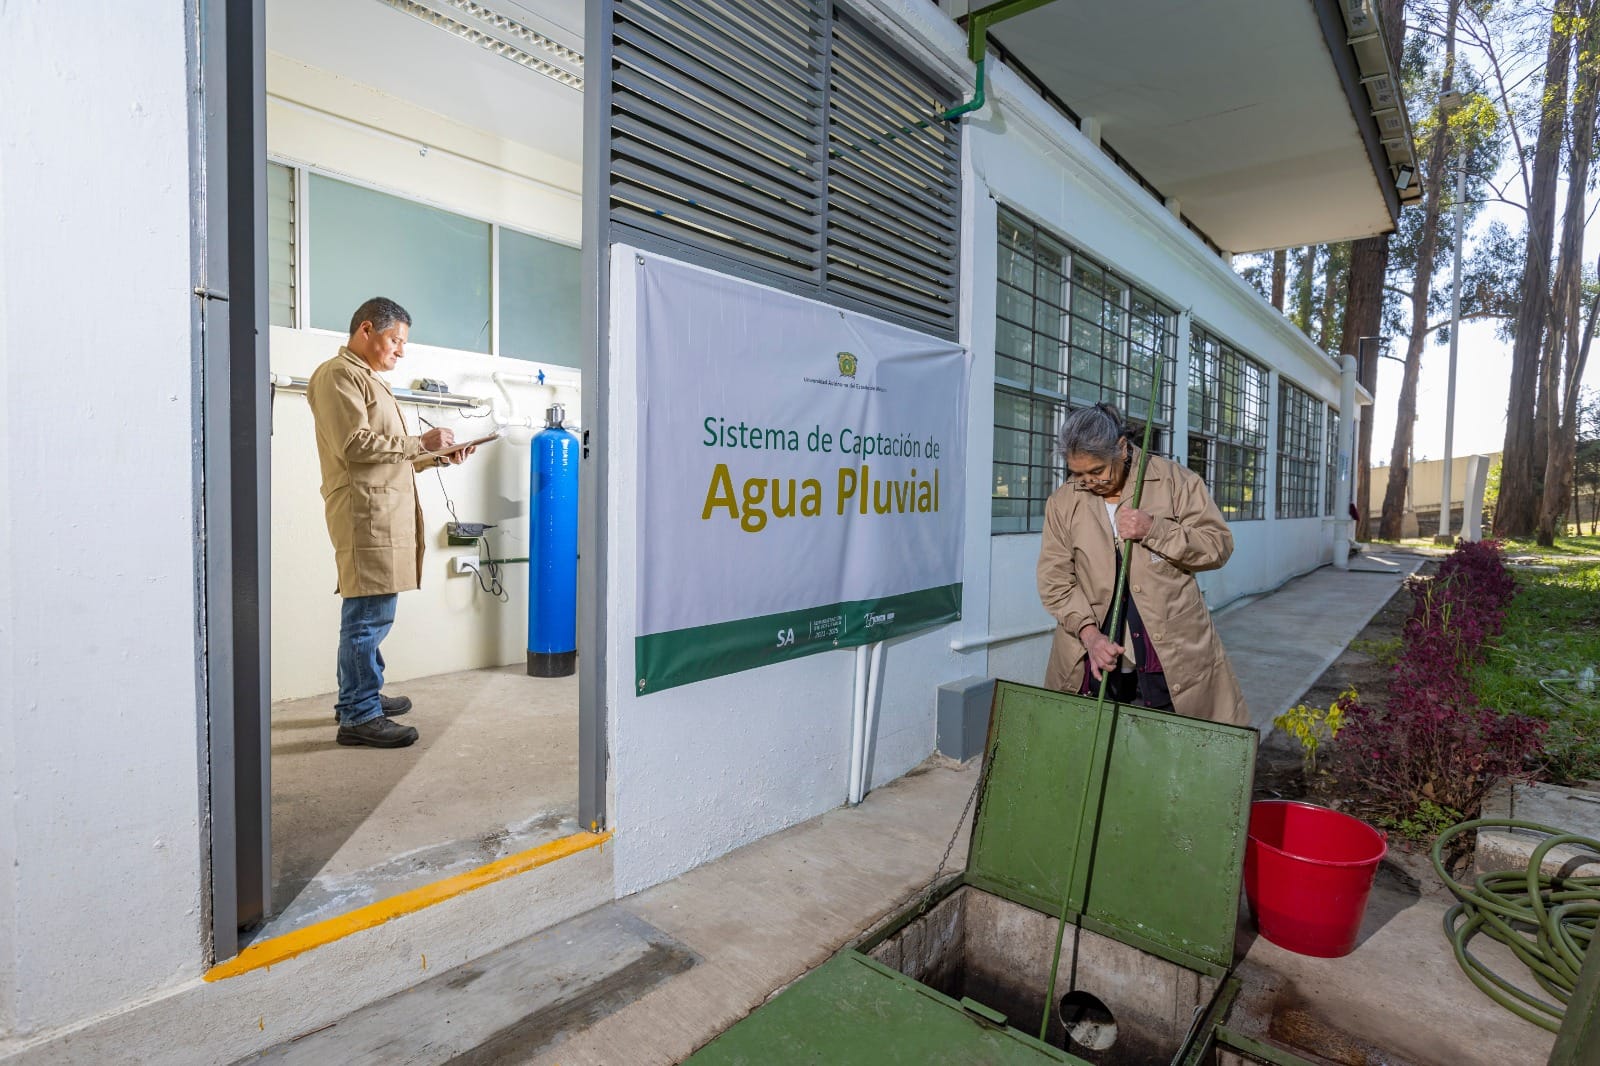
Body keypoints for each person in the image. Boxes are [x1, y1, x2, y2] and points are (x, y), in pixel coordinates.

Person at [306, 297, 477, 748]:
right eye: (395, 341)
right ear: (366, 330)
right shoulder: (338, 375)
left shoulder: (368, 380)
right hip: (365, 513)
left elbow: (388, 456)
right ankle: (359, 716)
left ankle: (360, 698)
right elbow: (356, 445)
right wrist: (420, 440)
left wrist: (434, 457)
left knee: (374, 612)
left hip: (380, 508)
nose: (401, 352)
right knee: (367, 614)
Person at [1036, 403, 1248, 727]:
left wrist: (1155, 529)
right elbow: (1055, 581)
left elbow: (1218, 545)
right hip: (1095, 662)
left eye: (1096, 471)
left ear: (1121, 448)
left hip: (1170, 658)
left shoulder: (1175, 482)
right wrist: (1090, 636)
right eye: (1077, 473)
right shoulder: (1063, 503)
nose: (1087, 482)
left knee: (1172, 748)